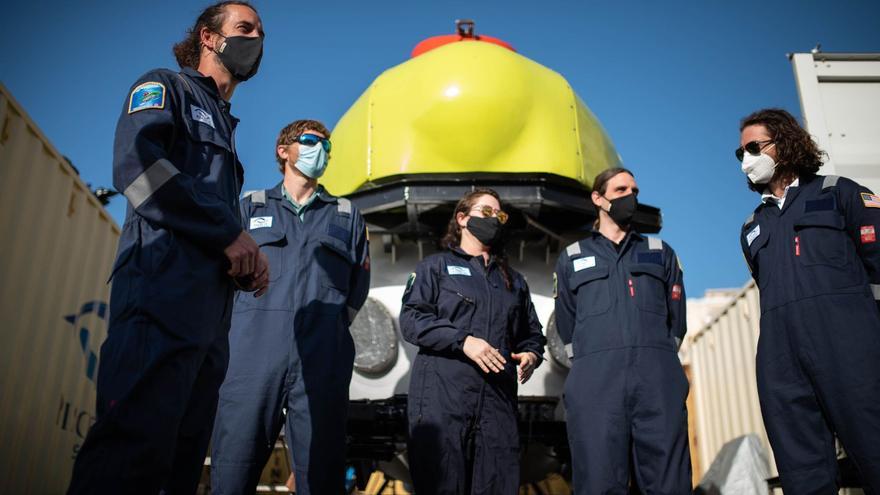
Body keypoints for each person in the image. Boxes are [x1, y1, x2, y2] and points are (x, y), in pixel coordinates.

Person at [66, 3, 267, 494]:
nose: (257, 38)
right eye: (245, 28)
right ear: (209, 37)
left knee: (178, 467)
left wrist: (242, 261)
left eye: (261, 33)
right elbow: (137, 168)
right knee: (129, 454)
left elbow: (209, 215)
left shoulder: (228, 129)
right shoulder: (165, 88)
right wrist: (228, 234)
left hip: (208, 322)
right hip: (158, 297)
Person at [210, 120, 370, 495]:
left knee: (320, 475)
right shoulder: (249, 206)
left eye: (327, 147)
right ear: (284, 151)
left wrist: (325, 326)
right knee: (233, 468)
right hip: (251, 357)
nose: (322, 151)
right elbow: (220, 276)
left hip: (323, 359)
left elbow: (356, 291)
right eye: (313, 141)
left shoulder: (347, 215)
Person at [738, 108, 880, 493]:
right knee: (803, 475)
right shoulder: (752, 228)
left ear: (784, 143)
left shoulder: (839, 193)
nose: (746, 159)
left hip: (849, 350)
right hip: (782, 362)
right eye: (741, 153)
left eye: (753, 147)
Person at [400, 188, 546, 494]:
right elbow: (413, 321)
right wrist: (463, 341)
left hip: (497, 404)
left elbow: (532, 334)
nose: (495, 219)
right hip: (443, 401)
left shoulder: (514, 282)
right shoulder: (435, 268)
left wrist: (532, 354)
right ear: (462, 218)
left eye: (500, 215)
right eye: (486, 212)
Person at [554, 168, 690, 494]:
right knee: (599, 481)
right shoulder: (572, 258)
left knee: (668, 482)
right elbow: (567, 324)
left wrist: (654, 357)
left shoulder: (660, 252)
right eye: (620, 190)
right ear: (598, 199)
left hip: (656, 379)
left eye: (634, 190)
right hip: (596, 382)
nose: (631, 196)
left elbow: (677, 321)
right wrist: (596, 359)